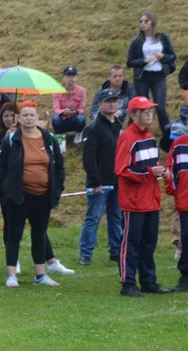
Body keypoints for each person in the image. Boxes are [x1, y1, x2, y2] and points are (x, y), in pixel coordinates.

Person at [0, 101, 65, 288]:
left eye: (32, 115)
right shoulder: (11, 139)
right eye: (24, 115)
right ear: (18, 118)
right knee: (14, 234)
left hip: (43, 196)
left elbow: (58, 165)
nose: (29, 118)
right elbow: (0, 168)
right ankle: (11, 275)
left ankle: (40, 275)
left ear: (37, 117)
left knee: (39, 234)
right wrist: (5, 189)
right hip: (18, 195)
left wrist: (58, 187)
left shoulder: (49, 139)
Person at [115, 96, 168, 297]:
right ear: (133, 115)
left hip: (151, 199)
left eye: (151, 111)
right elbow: (121, 169)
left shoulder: (149, 137)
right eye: (145, 112)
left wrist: (162, 172)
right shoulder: (127, 138)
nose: (149, 115)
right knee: (131, 243)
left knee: (149, 242)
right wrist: (148, 172)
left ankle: (148, 280)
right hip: (134, 201)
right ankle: (127, 283)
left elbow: (150, 167)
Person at [79, 89, 124, 266]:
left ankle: (116, 250)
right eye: (108, 101)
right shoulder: (92, 128)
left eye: (114, 100)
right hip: (99, 182)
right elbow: (88, 158)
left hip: (117, 179)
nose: (112, 103)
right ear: (100, 104)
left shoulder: (119, 125)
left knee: (116, 217)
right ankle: (86, 253)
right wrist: (95, 181)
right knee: (93, 217)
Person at [127, 12, 176, 131]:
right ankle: (138, 132)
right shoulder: (136, 41)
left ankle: (168, 134)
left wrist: (162, 56)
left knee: (160, 107)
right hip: (142, 77)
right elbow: (130, 62)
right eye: (141, 21)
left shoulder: (163, 37)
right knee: (141, 107)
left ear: (152, 22)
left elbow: (172, 56)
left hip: (159, 77)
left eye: (146, 21)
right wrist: (144, 61)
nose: (143, 24)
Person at [165, 126, 188, 291]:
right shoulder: (179, 144)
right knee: (186, 240)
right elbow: (170, 170)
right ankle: (185, 277)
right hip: (186, 202)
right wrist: (177, 192)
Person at [52, 66, 87, 142]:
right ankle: (60, 137)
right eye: (68, 76)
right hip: (62, 118)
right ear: (63, 78)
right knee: (55, 119)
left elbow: (82, 109)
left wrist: (76, 111)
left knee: (81, 119)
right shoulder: (56, 91)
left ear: (76, 78)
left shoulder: (82, 91)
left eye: (73, 76)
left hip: (75, 118)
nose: (70, 78)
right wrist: (63, 111)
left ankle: (79, 134)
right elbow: (55, 109)